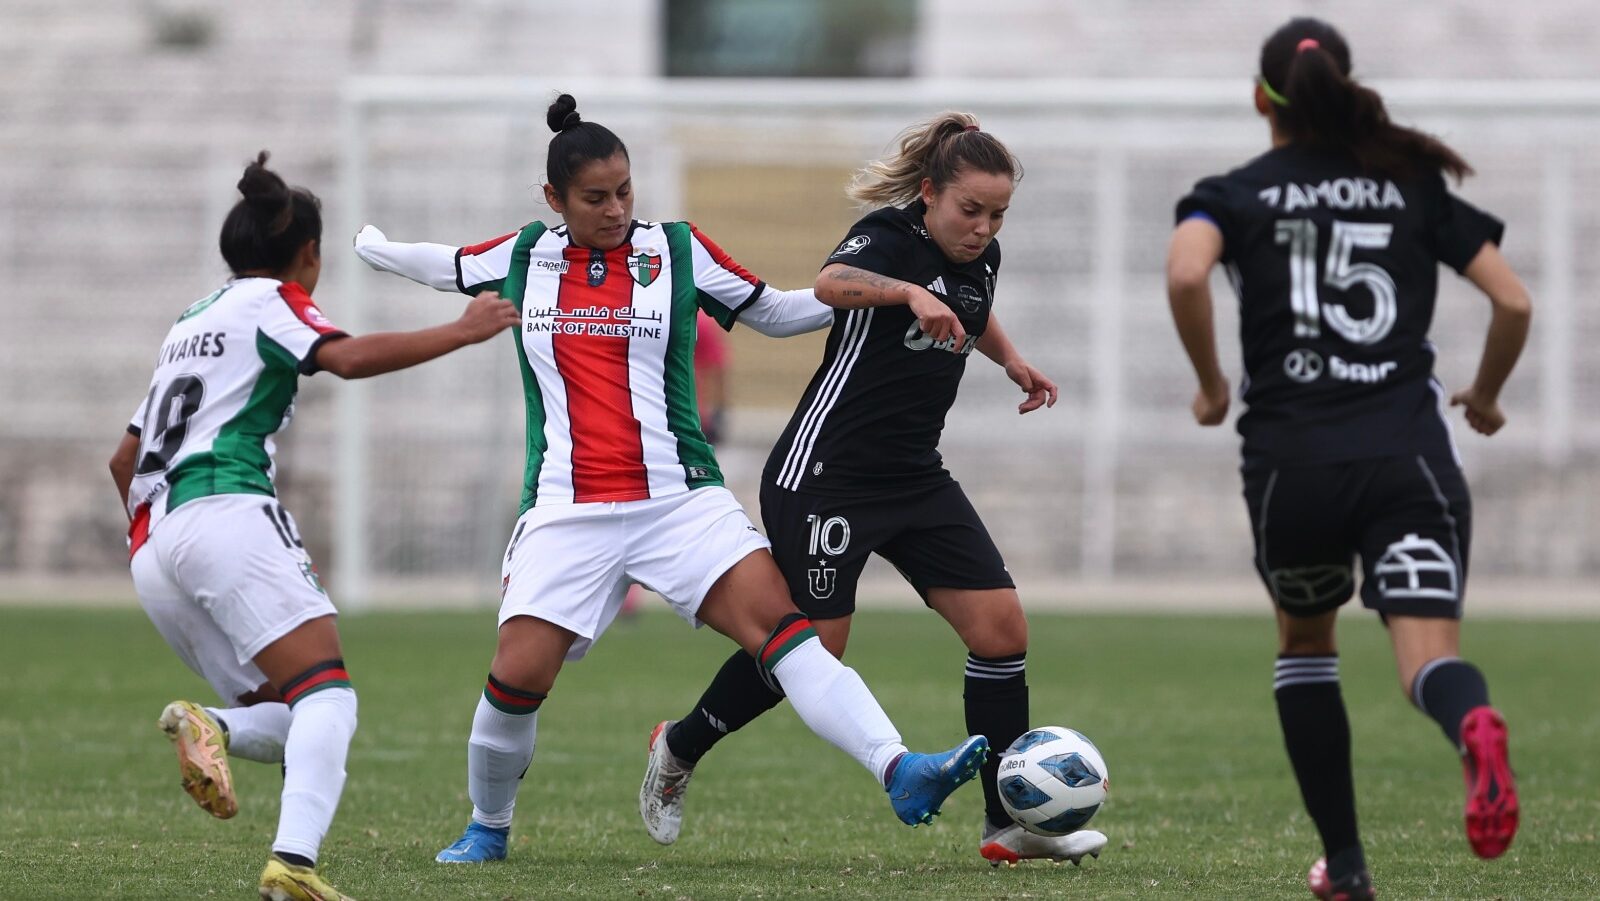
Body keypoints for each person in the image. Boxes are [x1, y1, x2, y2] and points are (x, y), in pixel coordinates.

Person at [351, 93, 989, 865]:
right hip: (567, 507)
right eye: (595, 197)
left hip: (679, 500)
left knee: (789, 638)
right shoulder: (523, 254)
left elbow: (779, 311)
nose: (616, 208)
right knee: (516, 678)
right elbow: (445, 265)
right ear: (554, 199)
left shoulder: (680, 251)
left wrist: (889, 286)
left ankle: (899, 767)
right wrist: (372, 245)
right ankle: (488, 825)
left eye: (625, 190)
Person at [637, 112, 1107, 867]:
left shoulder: (981, 257)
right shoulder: (889, 237)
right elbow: (830, 282)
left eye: (997, 214)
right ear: (929, 193)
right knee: (813, 649)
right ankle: (679, 744)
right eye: (971, 210)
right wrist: (905, 293)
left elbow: (973, 311)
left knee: (1001, 630)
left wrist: (1013, 359)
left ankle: (1005, 822)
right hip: (826, 473)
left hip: (914, 475)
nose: (984, 227)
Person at [1166, 18, 1529, 900]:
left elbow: (1185, 274)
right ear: (1344, 83)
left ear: (1264, 99)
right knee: (1427, 660)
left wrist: (1213, 385)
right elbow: (1513, 301)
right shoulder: (1409, 183)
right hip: (1406, 457)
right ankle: (1472, 720)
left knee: (1306, 646)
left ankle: (1351, 868)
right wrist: (1482, 396)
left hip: (1293, 466)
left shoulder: (1234, 191)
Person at [109, 152, 521, 901]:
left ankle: (214, 727)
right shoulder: (275, 300)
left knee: (288, 705)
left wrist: (159, 537)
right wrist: (461, 331)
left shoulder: (190, 321)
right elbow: (346, 357)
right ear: (310, 255)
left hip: (153, 543)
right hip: (224, 513)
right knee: (329, 695)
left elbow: (122, 459)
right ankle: (292, 864)